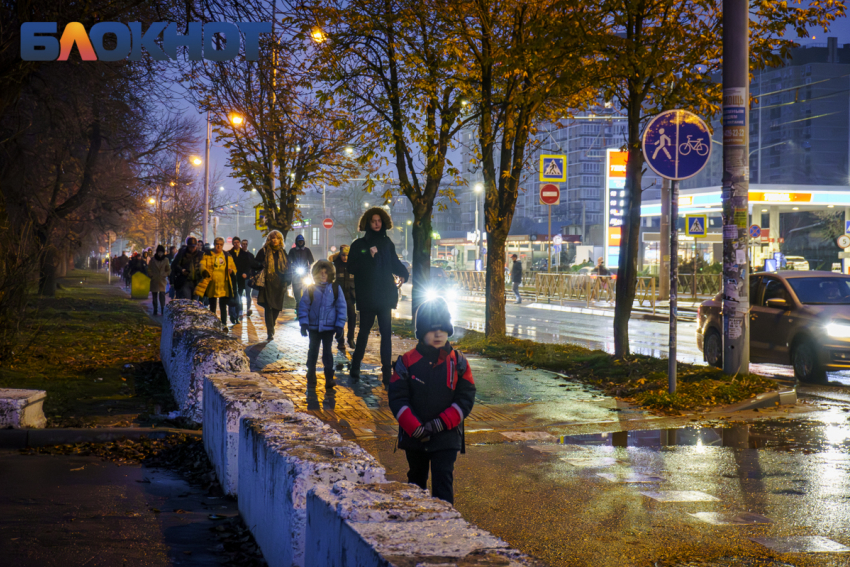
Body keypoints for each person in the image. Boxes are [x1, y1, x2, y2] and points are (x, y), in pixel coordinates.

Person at [388, 297, 475, 505]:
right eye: (431, 330)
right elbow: (397, 398)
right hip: (415, 438)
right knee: (416, 483)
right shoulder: (407, 362)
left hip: (446, 437)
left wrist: (441, 423)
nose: (438, 334)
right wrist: (414, 427)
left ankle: (445, 528)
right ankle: (415, 525)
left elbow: (466, 398)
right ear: (421, 332)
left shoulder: (459, 362)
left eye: (443, 329)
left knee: (443, 482)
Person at [347, 207, 409, 384]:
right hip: (367, 296)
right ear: (367, 222)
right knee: (364, 332)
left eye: (379, 221)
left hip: (384, 295)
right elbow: (352, 267)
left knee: (386, 334)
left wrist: (403, 273)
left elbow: (393, 262)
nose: (376, 223)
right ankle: (356, 366)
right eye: (373, 221)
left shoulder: (387, 243)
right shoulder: (359, 245)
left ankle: (387, 372)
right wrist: (368, 255)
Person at [298, 259, 347, 385]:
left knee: (327, 352)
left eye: (325, 272)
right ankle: (311, 373)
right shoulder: (311, 289)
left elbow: (341, 307)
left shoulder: (335, 288)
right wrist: (304, 323)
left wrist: (339, 326)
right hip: (314, 327)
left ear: (330, 274)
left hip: (329, 328)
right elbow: (304, 306)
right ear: (316, 274)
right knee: (313, 350)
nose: (323, 275)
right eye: (321, 272)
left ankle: (329, 377)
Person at [193, 237, 236, 329]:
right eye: (217, 244)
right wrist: (203, 271)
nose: (219, 246)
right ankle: (213, 325)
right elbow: (202, 264)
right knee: (212, 306)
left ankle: (224, 325)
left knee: (223, 306)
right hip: (212, 284)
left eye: (220, 245)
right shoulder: (208, 254)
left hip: (223, 285)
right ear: (214, 244)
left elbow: (233, 267)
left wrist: (232, 271)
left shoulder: (226, 255)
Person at [254, 230, 288, 341]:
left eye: (277, 238)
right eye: (273, 238)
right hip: (267, 283)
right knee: (269, 307)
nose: (275, 240)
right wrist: (261, 264)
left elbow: (288, 268)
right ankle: (270, 331)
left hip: (279, 284)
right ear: (269, 239)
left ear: (280, 240)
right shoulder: (264, 251)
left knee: (277, 308)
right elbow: (254, 264)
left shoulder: (283, 252)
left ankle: (271, 325)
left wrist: (288, 281)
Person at [331, 244, 356, 352]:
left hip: (350, 296)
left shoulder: (354, 264)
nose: (345, 258)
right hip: (338, 297)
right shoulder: (335, 265)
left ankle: (350, 339)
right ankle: (340, 341)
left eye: (347, 255)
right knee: (339, 319)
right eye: (343, 255)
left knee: (352, 317)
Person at [228, 236, 253, 325]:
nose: (236, 244)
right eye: (234, 242)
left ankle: (238, 314)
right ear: (233, 243)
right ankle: (232, 315)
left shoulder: (245, 254)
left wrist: (246, 273)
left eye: (238, 242)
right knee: (232, 296)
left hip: (241, 279)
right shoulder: (229, 253)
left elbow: (248, 266)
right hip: (232, 278)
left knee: (239, 297)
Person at [288, 234, 314, 307]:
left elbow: (312, 261)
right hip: (295, 273)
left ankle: (306, 303)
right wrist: (291, 266)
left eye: (301, 241)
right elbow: (288, 261)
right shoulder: (292, 251)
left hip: (305, 273)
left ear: (303, 242)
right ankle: (298, 303)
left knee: (307, 288)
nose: (300, 243)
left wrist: (310, 267)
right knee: (296, 290)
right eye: (299, 241)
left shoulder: (307, 250)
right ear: (297, 242)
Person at [148, 245, 170, 316]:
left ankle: (163, 309)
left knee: (162, 296)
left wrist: (165, 274)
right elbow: (149, 269)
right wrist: (152, 275)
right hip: (155, 279)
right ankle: (155, 309)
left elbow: (168, 269)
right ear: (157, 252)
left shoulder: (166, 260)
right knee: (154, 296)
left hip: (162, 280)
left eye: (161, 252)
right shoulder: (153, 260)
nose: (160, 254)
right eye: (159, 252)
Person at [240, 239, 256, 316]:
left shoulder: (250, 255)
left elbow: (253, 267)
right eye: (243, 244)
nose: (244, 245)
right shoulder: (239, 255)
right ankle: (240, 309)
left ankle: (248, 309)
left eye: (246, 244)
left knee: (248, 295)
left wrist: (252, 275)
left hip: (248, 278)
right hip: (240, 277)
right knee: (239, 294)